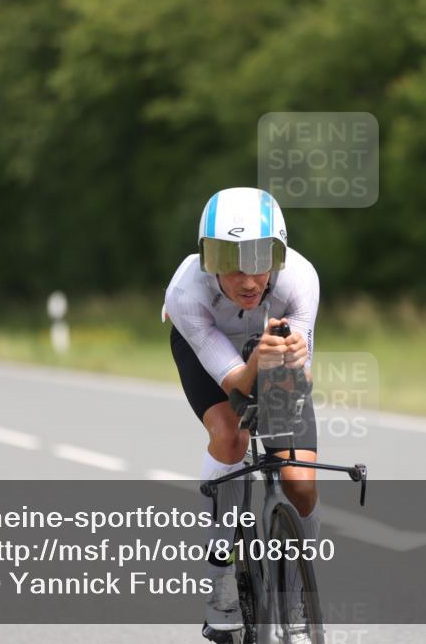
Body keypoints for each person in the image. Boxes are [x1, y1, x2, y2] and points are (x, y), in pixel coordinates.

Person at [163, 187, 321, 642]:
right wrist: (257, 362)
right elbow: (235, 386)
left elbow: (301, 380)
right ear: (206, 259)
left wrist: (294, 361)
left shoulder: (300, 279)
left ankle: (297, 597)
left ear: (279, 255)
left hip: (269, 350)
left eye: (259, 260)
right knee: (231, 436)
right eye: (229, 262)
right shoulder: (185, 292)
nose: (248, 280)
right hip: (207, 349)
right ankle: (221, 579)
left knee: (300, 483)